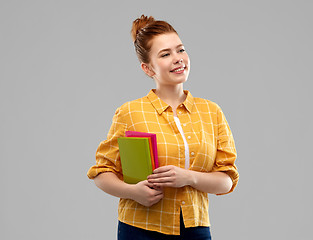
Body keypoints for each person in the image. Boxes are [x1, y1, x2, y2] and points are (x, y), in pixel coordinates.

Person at [87, 14, 239, 240]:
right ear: (148, 69)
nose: (178, 58)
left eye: (180, 49)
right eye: (166, 54)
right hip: (140, 228)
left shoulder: (212, 112)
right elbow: (101, 172)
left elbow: (227, 180)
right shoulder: (130, 112)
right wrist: (133, 192)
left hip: (195, 229)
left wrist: (189, 177)